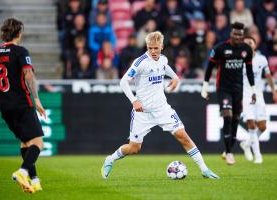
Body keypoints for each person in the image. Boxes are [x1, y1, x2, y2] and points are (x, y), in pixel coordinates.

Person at [101, 31, 219, 179]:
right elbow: (123, 82)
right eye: (150, 48)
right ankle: (110, 159)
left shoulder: (163, 59)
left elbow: (165, 67)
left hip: (162, 108)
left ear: (161, 46)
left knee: (183, 136)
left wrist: (175, 77)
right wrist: (134, 101)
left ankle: (204, 169)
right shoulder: (140, 62)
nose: (153, 51)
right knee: (134, 148)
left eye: (156, 48)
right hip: (142, 111)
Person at [0, 18, 46, 193]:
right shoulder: (20, 51)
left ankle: (35, 181)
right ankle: (22, 172)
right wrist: (36, 99)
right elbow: (28, 74)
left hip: (4, 107)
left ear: (3, 34)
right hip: (21, 103)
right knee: (38, 142)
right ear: (19, 33)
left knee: (25, 143)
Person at [201, 22, 256, 165]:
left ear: (242, 36)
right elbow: (209, 67)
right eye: (235, 34)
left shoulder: (247, 50)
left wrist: (254, 90)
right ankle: (230, 153)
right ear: (230, 34)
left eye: (240, 34)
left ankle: (228, 150)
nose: (237, 37)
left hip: (238, 89)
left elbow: (249, 71)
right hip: (223, 89)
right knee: (227, 116)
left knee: (236, 120)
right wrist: (205, 87)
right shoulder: (220, 48)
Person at [240, 36, 277, 164]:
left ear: (255, 45)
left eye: (250, 42)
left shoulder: (262, 59)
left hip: (259, 95)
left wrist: (274, 91)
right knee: (251, 124)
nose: (248, 45)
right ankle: (258, 155)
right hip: (245, 95)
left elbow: (268, 76)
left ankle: (246, 144)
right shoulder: (239, 60)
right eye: (245, 43)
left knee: (263, 126)